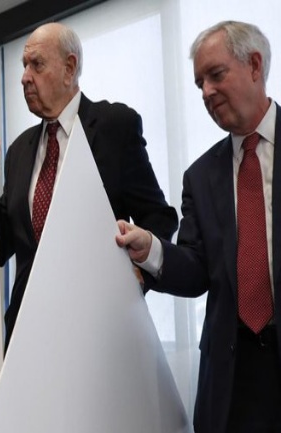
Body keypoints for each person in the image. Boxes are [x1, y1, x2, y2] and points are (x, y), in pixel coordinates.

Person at [116, 20, 281, 433]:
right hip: (231, 380)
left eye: (216, 75)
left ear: (255, 66)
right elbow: (197, 272)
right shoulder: (201, 176)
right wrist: (152, 249)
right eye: (199, 83)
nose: (206, 91)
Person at [0, 22, 178, 348]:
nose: (24, 77)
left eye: (36, 64)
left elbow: (158, 217)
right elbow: (0, 244)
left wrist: (137, 275)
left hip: (98, 333)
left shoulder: (114, 128)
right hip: (28, 336)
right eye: (24, 66)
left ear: (69, 68)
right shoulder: (18, 151)